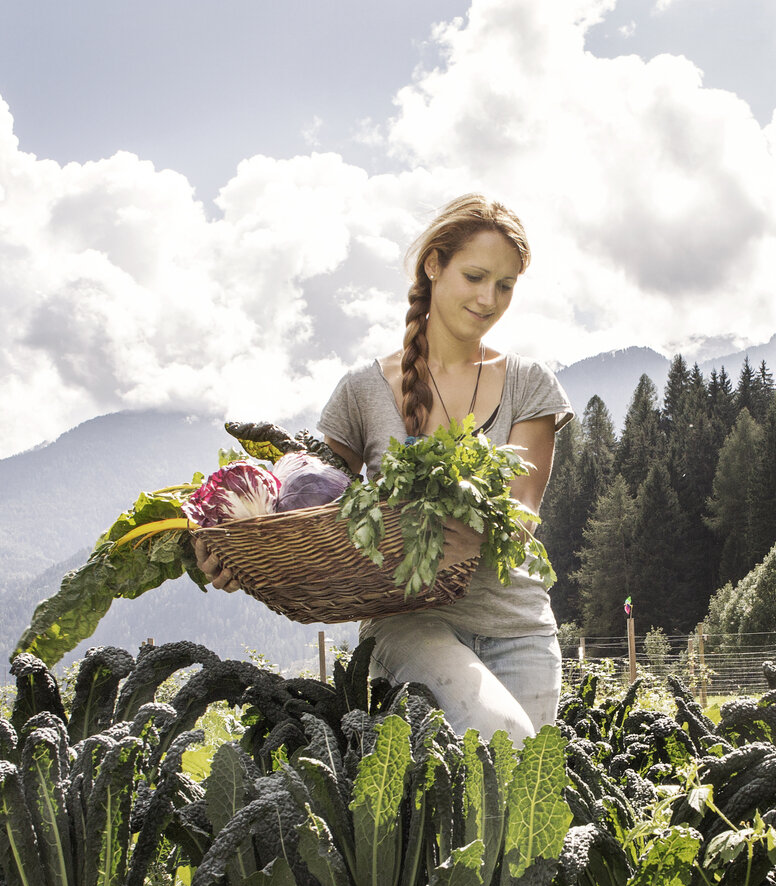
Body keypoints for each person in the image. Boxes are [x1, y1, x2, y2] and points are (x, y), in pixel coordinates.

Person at [197, 194, 573, 742]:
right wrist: (239, 551)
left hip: (519, 628)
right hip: (410, 621)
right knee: (502, 737)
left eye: (506, 285)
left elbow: (521, 511)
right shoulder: (363, 392)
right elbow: (307, 505)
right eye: (474, 276)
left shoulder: (529, 384)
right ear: (434, 265)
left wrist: (483, 532)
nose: (489, 298)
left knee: (513, 810)